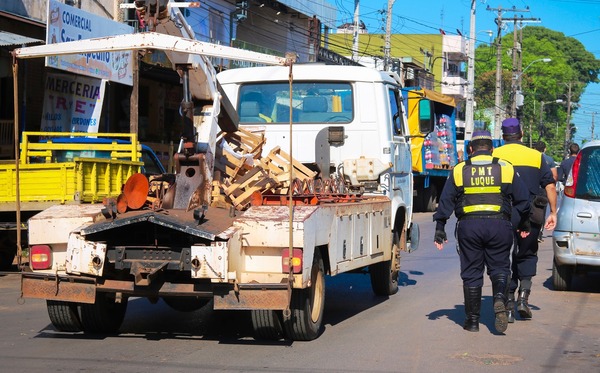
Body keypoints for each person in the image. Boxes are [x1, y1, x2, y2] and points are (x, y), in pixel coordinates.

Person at [433, 130, 531, 334]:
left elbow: (446, 201)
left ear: (470, 149)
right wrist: (523, 223)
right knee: (500, 268)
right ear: (491, 148)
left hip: (469, 227)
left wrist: (440, 227)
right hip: (499, 225)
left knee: (471, 273)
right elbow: (523, 200)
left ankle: (472, 322)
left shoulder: (459, 170)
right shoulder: (505, 167)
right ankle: (499, 299)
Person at [492, 118, 557, 323]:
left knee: (503, 257)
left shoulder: (494, 156)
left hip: (502, 214)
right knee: (527, 254)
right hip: (532, 214)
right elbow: (550, 186)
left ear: (503, 136)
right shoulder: (537, 156)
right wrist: (553, 212)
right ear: (521, 134)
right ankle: (523, 297)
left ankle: (508, 302)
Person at [533, 141, 557, 242]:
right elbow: (554, 176)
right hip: (544, 188)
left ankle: (530, 231)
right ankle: (539, 233)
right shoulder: (549, 160)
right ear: (545, 149)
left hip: (532, 187)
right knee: (541, 211)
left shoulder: (531, 158)